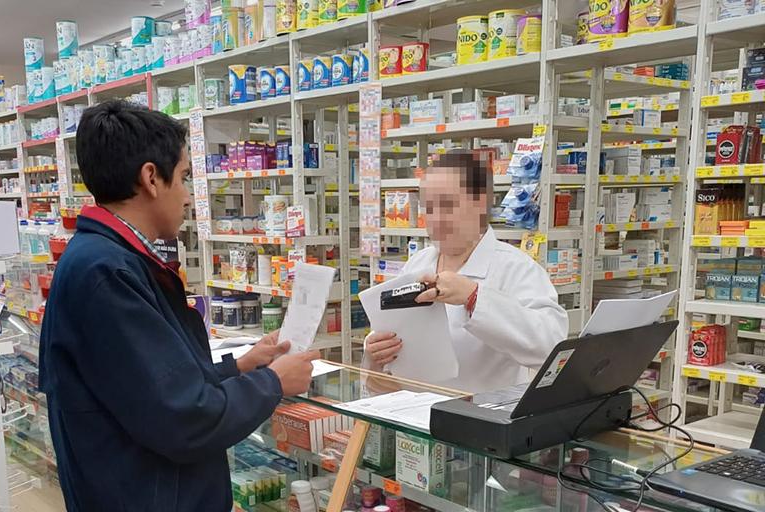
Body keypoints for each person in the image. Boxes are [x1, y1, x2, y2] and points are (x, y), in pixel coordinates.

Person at [39, 100, 319, 511]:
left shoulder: (109, 259)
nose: (188, 197)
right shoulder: (106, 273)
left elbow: (150, 386)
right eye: (185, 177)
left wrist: (241, 367)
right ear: (151, 178)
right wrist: (273, 383)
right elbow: (183, 419)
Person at [364, 151, 568, 393]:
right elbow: (390, 348)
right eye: (429, 207)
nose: (436, 219)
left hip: (481, 413)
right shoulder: (418, 264)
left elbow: (552, 346)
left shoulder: (516, 268)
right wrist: (376, 354)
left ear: (479, 203)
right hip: (412, 411)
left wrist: (474, 296)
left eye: (447, 205)